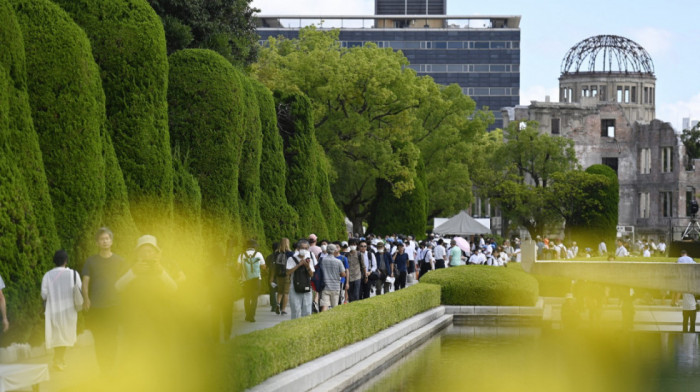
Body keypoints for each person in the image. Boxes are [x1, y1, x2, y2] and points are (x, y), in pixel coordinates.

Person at [82, 227, 127, 374]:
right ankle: (103, 369)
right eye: (102, 239)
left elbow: (126, 282)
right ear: (97, 242)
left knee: (112, 338)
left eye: (107, 238)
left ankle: (110, 367)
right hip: (97, 307)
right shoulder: (91, 261)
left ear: (112, 241)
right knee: (99, 339)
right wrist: (86, 298)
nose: (105, 241)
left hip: (114, 305)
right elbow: (85, 281)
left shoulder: (120, 261)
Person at [42, 250, 81, 371]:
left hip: (53, 310)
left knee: (57, 335)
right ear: (66, 260)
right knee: (65, 335)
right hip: (69, 310)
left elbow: (44, 294)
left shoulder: (47, 275)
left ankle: (59, 359)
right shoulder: (73, 274)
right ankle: (58, 360)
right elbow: (78, 289)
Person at [238, 239, 265, 322]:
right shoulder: (258, 254)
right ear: (254, 246)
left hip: (245, 279)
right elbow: (264, 267)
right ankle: (252, 316)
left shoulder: (241, 255)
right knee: (254, 298)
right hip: (256, 279)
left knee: (247, 298)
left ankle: (247, 315)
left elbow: (238, 268)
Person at [287, 239, 315, 319]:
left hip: (306, 287)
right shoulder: (291, 259)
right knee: (295, 310)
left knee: (307, 310)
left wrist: (307, 266)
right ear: (298, 249)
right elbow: (288, 272)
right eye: (302, 248)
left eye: (306, 248)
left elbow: (312, 275)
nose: (304, 250)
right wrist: (298, 265)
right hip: (294, 287)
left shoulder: (309, 260)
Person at [319, 244, 346, 312]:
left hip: (325, 286)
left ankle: (323, 320)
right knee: (335, 307)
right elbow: (343, 274)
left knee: (325, 306)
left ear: (327, 250)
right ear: (334, 251)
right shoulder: (338, 261)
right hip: (335, 286)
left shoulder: (322, 260)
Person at [274, 239, 293, 315]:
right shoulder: (290, 253)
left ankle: (278, 303)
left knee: (280, 291)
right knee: (286, 293)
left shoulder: (276, 253)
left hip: (278, 275)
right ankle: (283, 309)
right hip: (287, 274)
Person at [265, 242, 280, 314]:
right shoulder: (281, 256)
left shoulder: (269, 257)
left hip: (271, 276)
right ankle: (280, 305)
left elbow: (265, 267)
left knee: (272, 291)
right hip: (280, 276)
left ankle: (273, 306)